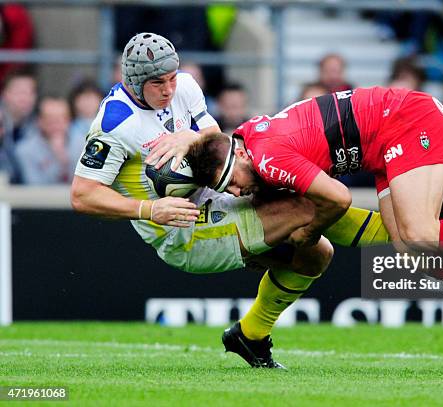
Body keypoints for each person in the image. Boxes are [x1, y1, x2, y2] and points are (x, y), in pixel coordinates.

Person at [70, 32, 392, 370]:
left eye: (170, 78)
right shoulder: (114, 124)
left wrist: (192, 136)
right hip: (183, 230)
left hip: (216, 194)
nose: (168, 89)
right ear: (133, 81)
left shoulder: (186, 86)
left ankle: (249, 336)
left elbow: (216, 143)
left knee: (316, 256)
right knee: (307, 206)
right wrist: (149, 209)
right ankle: (412, 236)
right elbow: (82, 195)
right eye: (157, 83)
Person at [191, 87, 443, 359]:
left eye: (233, 180)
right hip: (383, 144)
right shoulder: (245, 139)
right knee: (413, 248)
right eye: (226, 188)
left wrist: (308, 231)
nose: (237, 191)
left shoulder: (268, 158)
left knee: (421, 234)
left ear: (238, 154)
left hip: (405, 121)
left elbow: (339, 198)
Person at [16, 96, 82, 184]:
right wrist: (56, 160)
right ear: (39, 121)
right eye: (50, 118)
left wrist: (65, 162)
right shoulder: (25, 150)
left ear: (69, 120)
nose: (56, 123)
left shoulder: (83, 145)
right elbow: (34, 187)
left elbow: (86, 185)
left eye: (61, 118)